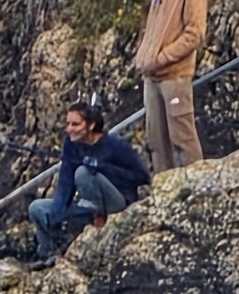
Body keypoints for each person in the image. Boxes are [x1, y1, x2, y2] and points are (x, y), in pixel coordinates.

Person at [27, 102, 151, 268]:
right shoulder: (71, 145)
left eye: (75, 124)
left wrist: (102, 167)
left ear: (91, 125)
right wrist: (57, 212)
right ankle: (49, 253)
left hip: (117, 204)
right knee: (37, 208)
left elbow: (141, 177)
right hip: (86, 204)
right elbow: (65, 182)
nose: (69, 129)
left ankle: (98, 218)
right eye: (68, 124)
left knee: (83, 173)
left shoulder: (115, 146)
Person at [135, 0, 208, 171]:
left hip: (175, 76)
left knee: (182, 138)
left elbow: (195, 33)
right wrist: (143, 55)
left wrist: (163, 57)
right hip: (151, 75)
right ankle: (163, 187)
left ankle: (197, 183)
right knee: (156, 141)